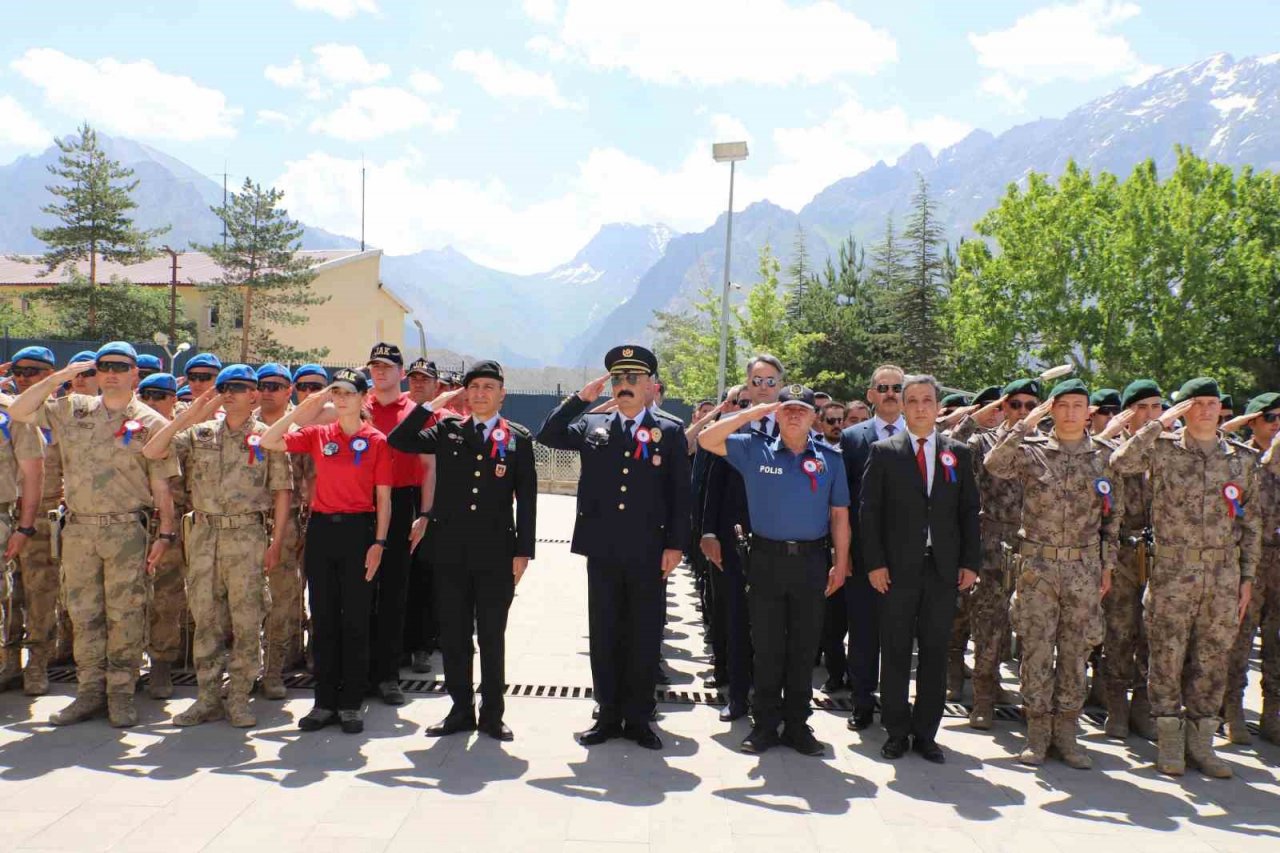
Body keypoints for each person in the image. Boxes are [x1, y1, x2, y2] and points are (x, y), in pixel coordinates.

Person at [8, 342, 177, 727]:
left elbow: (162, 482)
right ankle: (88, 692)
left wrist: (166, 532)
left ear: (135, 373)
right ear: (95, 372)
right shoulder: (73, 408)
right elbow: (19, 410)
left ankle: (121, 694)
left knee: (125, 614)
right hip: (80, 529)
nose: (111, 373)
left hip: (126, 529)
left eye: (120, 366)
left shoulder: (150, 422)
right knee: (84, 614)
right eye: (104, 366)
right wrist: (62, 375)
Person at [537, 345, 689, 750]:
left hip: (648, 550)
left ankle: (638, 717)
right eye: (619, 379)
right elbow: (547, 435)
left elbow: (680, 493)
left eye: (633, 379)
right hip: (603, 548)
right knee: (604, 631)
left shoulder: (669, 431)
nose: (624, 385)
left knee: (644, 632)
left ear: (650, 385)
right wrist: (580, 399)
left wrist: (676, 544)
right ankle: (606, 713)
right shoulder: (593, 425)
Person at [1110, 377, 1260, 778]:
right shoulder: (1162, 449)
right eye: (1198, 403)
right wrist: (1157, 424)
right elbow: (1120, 462)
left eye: (1213, 402)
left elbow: (1251, 524)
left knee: (1212, 658)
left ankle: (1202, 743)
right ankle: (1170, 741)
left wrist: (1247, 577)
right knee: (1166, 656)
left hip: (1223, 575)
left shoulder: (1242, 459)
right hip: (1173, 573)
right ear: (1184, 409)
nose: (1207, 409)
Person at [388, 360, 537, 741]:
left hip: (496, 553)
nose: (481, 393)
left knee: (491, 635)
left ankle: (493, 713)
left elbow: (527, 500)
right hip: (450, 551)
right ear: (465, 394)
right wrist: (433, 404)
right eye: (474, 387)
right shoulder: (448, 430)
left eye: (489, 387)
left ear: (502, 394)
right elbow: (399, 440)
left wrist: (523, 552)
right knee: (454, 635)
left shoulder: (517, 438)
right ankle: (459, 710)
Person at [699, 384, 850, 755]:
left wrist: (841, 563)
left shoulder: (830, 459)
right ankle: (765, 724)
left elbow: (839, 516)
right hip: (766, 560)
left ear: (814, 417)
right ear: (776, 414)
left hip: (812, 562)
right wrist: (753, 412)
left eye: (802, 409)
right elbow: (706, 439)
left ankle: (797, 724)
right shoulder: (754, 449)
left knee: (803, 647)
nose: (795, 415)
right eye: (787, 409)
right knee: (766, 647)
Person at [143, 366, 292, 727]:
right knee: (206, 619)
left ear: (254, 394)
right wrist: (192, 414)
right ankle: (208, 698)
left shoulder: (267, 437)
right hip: (204, 534)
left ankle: (239, 697)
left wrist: (276, 543)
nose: (229, 393)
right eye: (224, 387)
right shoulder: (201, 433)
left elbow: (282, 492)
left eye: (238, 387)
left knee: (246, 619)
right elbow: (153, 450)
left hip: (246, 535)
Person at [985, 379, 1119, 768]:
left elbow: (1113, 517)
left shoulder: (1105, 457)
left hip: (1083, 568)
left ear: (1088, 412)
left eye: (1079, 405)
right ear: (1052, 410)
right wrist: (1026, 425)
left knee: (1077, 652)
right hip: (1038, 568)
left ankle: (1068, 734)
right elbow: (994, 463)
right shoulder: (1032, 451)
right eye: (1063, 405)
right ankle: (1038, 732)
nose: (1071, 412)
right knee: (1037, 650)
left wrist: (1107, 565)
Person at [261, 368, 393, 735]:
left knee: (355, 619)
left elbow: (384, 499)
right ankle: (323, 702)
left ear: (363, 397)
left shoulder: (377, 440)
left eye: (349, 392)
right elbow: (270, 440)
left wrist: (379, 543)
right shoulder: (319, 434)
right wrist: (313, 401)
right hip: (322, 529)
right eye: (337, 392)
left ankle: (350, 703)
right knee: (323, 617)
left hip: (359, 530)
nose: (342, 398)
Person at [860, 375, 980, 764]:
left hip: (942, 570)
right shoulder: (884, 452)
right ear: (903, 406)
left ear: (938, 406)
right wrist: (875, 564)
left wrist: (970, 562)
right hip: (896, 571)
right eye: (912, 400)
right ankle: (896, 731)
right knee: (895, 651)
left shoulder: (957, 453)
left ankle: (926, 733)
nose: (920, 407)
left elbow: (969, 512)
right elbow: (869, 514)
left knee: (934, 651)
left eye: (927, 400)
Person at [700, 355, 786, 723]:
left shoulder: (793, 424)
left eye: (770, 381)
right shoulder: (733, 429)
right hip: (736, 542)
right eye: (757, 381)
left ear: (781, 385)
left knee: (776, 628)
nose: (764, 387)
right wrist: (708, 532)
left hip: (781, 544)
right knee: (737, 621)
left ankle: (773, 699)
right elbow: (713, 485)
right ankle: (737, 697)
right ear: (748, 385)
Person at [958, 379, 1040, 729]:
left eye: (1030, 405)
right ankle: (984, 698)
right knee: (988, 624)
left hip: (1034, 546)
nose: (1023, 411)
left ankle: (1033, 702)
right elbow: (951, 449)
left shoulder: (1046, 445)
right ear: (1003, 407)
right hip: (992, 543)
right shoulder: (982, 442)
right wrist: (975, 417)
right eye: (1015, 404)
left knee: (1035, 632)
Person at [839, 363, 907, 732]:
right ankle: (862, 703)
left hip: (908, 556)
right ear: (870, 395)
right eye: (883, 388)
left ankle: (896, 705)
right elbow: (842, 501)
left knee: (899, 636)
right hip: (863, 554)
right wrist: (843, 552)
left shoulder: (921, 435)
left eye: (897, 387)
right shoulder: (852, 438)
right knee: (863, 634)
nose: (890, 394)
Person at [1095, 379, 1164, 741]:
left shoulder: (1169, 450)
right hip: (1121, 553)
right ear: (1127, 413)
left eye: (1156, 408)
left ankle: (1142, 706)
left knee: (1153, 635)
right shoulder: (1110, 449)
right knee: (1119, 631)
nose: (1150, 416)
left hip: (1160, 556)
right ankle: (1116, 707)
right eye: (1141, 408)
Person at [362, 343, 424, 706]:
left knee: (393, 591)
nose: (380, 372)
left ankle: (387, 675)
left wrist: (425, 513)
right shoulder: (358, 404)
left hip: (400, 502)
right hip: (359, 501)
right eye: (375, 366)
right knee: (358, 590)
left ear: (402, 373)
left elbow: (429, 466)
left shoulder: (414, 411)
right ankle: (358, 672)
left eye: (387, 366)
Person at [1220, 393, 1280, 744]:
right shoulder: (1241, 458)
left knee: (1276, 644)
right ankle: (1233, 712)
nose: (1276, 424)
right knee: (1240, 641)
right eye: (1270, 417)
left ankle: (1272, 715)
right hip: (1250, 561)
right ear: (1252, 421)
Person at [255, 363, 312, 698]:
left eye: (275, 386)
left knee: (283, 599)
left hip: (288, 523)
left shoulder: (300, 428)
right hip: (246, 522)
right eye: (262, 385)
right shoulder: (242, 424)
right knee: (246, 600)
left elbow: (312, 480)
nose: (267, 391)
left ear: (289, 390)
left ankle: (276, 667)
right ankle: (248, 667)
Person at [135, 371, 189, 700]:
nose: (152, 402)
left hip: (171, 526)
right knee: (126, 599)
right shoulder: (125, 432)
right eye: (147, 396)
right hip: (130, 523)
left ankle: (161, 664)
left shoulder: (185, 438)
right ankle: (124, 666)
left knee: (167, 597)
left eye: (160, 396)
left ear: (174, 400)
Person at [0, 348, 50, 695]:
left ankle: (37, 664)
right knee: (9, 596)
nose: (22, 377)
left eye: (31, 371)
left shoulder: (13, 413)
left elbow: (34, 473)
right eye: (17, 371)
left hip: (30, 516)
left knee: (39, 592)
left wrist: (25, 526)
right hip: (14, 516)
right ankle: (9, 662)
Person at [404, 357, 440, 673]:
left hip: (430, 500)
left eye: (424, 379)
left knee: (425, 575)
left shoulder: (443, 420)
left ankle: (422, 646)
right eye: (414, 378)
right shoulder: (398, 412)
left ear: (436, 385)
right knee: (398, 574)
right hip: (399, 495)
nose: (418, 383)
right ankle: (400, 643)